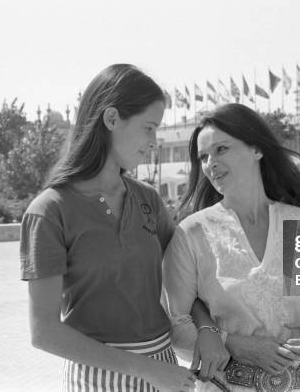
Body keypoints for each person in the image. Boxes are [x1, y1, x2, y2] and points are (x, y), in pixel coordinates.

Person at [20, 64, 196, 391]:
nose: (153, 141)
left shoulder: (149, 200)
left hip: (165, 372)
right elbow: (43, 332)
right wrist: (144, 369)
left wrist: (212, 335)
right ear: (112, 119)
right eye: (148, 128)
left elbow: (185, 281)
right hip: (96, 378)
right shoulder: (48, 211)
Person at [162, 104, 300, 391]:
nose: (211, 164)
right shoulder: (193, 233)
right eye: (203, 157)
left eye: (221, 149)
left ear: (257, 149)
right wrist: (233, 343)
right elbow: (176, 325)